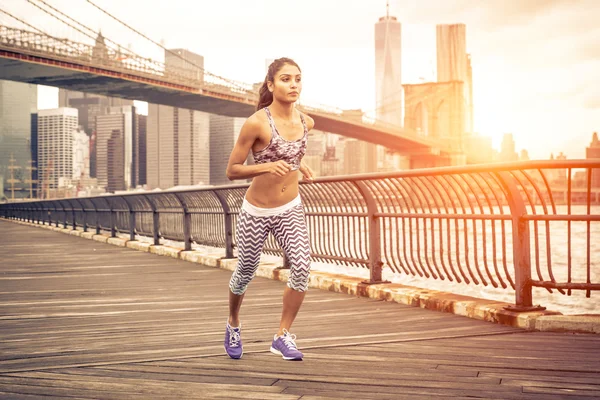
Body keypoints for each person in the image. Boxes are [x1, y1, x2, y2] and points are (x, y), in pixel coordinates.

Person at [224, 57, 315, 361]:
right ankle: (233, 323)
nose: (294, 85)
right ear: (271, 85)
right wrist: (265, 168)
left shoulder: (306, 122)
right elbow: (233, 170)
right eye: (286, 79)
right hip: (256, 211)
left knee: (302, 266)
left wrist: (300, 165)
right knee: (245, 271)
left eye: (298, 79)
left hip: (290, 206)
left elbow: (290, 151)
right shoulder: (256, 123)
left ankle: (281, 336)